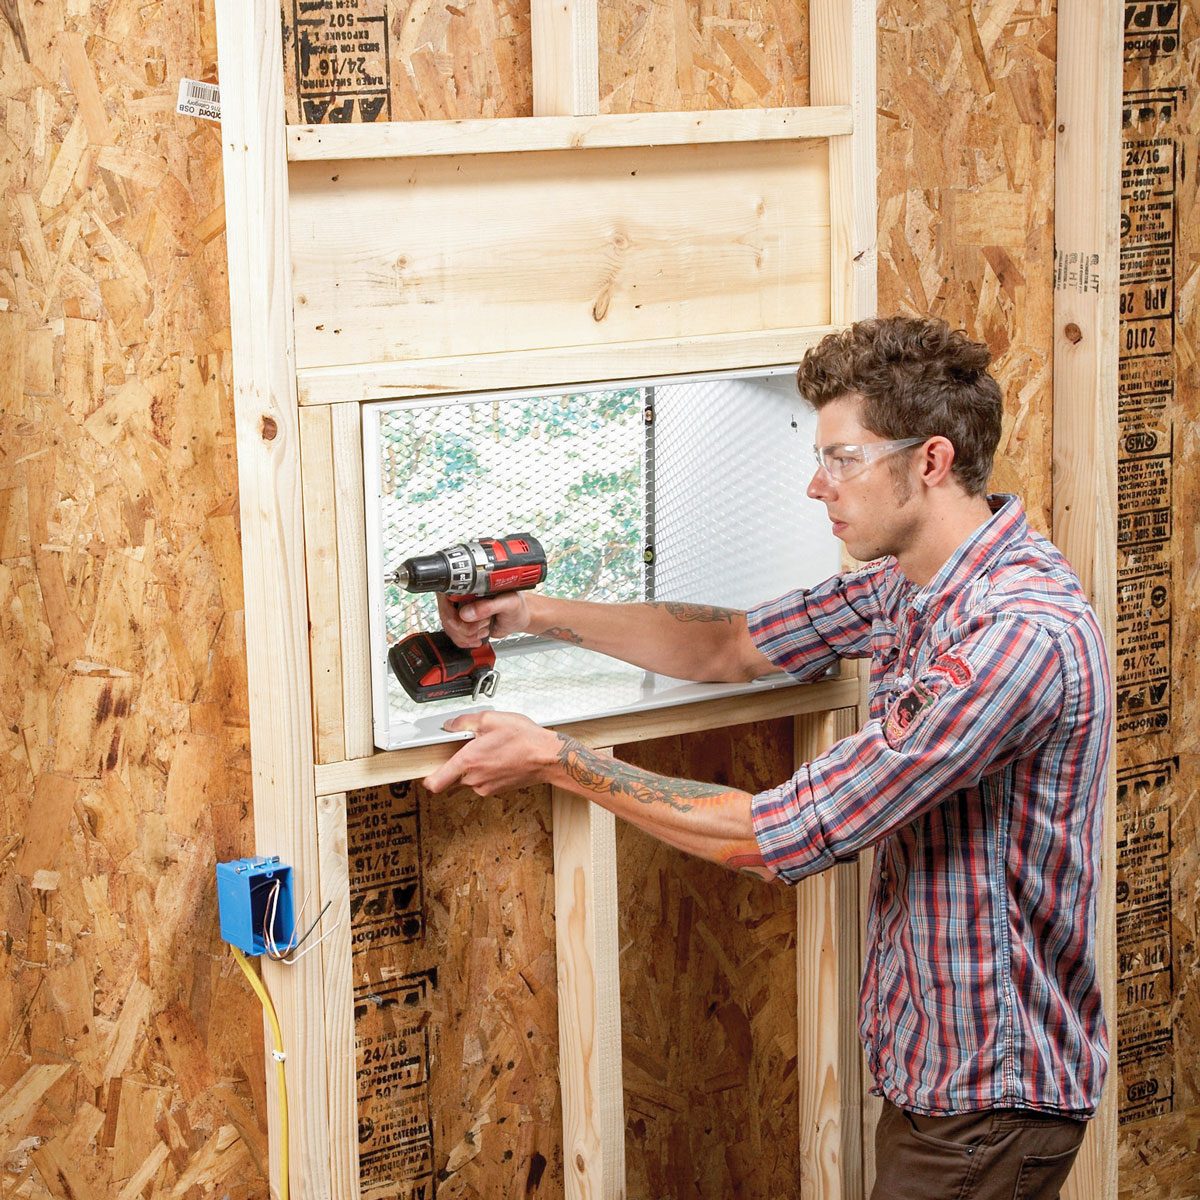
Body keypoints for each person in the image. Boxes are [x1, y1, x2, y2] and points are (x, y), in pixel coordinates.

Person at [423, 316, 1112, 1200]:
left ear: (930, 461)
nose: (816, 484)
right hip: (938, 1078)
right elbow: (734, 646)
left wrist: (558, 761)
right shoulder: (910, 586)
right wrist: (530, 616)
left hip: (991, 1103)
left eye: (844, 458)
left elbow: (775, 836)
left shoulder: (1016, 637)